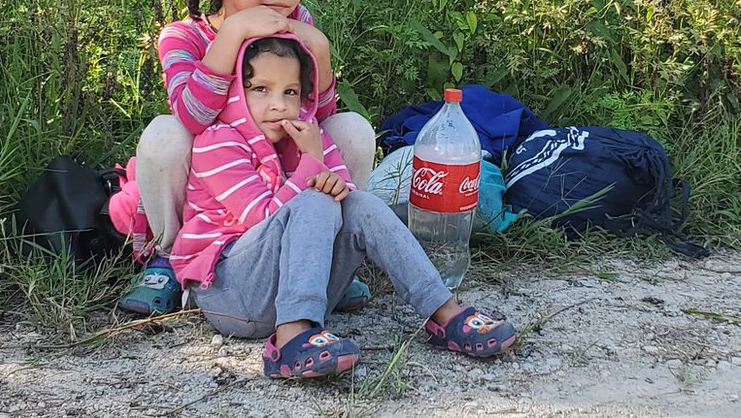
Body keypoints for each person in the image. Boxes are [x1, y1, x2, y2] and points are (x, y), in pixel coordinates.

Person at [174, 34, 516, 378]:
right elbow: (261, 218)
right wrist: (312, 163)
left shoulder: (308, 135)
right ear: (234, 91)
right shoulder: (217, 142)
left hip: (290, 292)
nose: (278, 105)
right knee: (315, 200)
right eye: (260, 89)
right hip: (230, 295)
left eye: (290, 92)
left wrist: (328, 176)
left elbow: (349, 207)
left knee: (360, 203)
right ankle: (290, 339)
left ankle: (443, 313)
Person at [119, 0, 375, 315]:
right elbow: (193, 117)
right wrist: (234, 33)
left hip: (282, 181)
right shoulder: (183, 37)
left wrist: (320, 51)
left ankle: (333, 251)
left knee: (353, 129)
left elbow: (318, 117)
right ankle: (167, 258)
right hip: (217, 192)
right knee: (165, 134)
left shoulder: (297, 23)